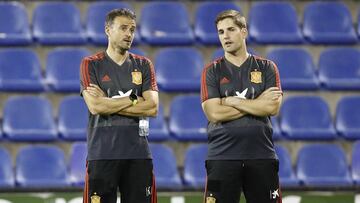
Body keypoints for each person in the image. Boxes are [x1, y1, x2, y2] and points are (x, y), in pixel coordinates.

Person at [200, 10, 283, 203]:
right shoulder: (211, 71)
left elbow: (272, 108)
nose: (225, 36)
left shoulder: (267, 67)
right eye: (221, 32)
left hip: (262, 156)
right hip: (221, 158)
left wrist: (232, 101)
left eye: (231, 29)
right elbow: (214, 113)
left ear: (244, 32)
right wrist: (257, 103)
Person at [80, 8, 158, 203]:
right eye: (123, 28)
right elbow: (96, 107)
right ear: (108, 30)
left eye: (132, 29)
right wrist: (133, 98)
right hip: (102, 154)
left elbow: (152, 108)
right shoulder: (91, 64)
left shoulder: (144, 64)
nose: (128, 34)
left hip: (139, 155)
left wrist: (108, 101)